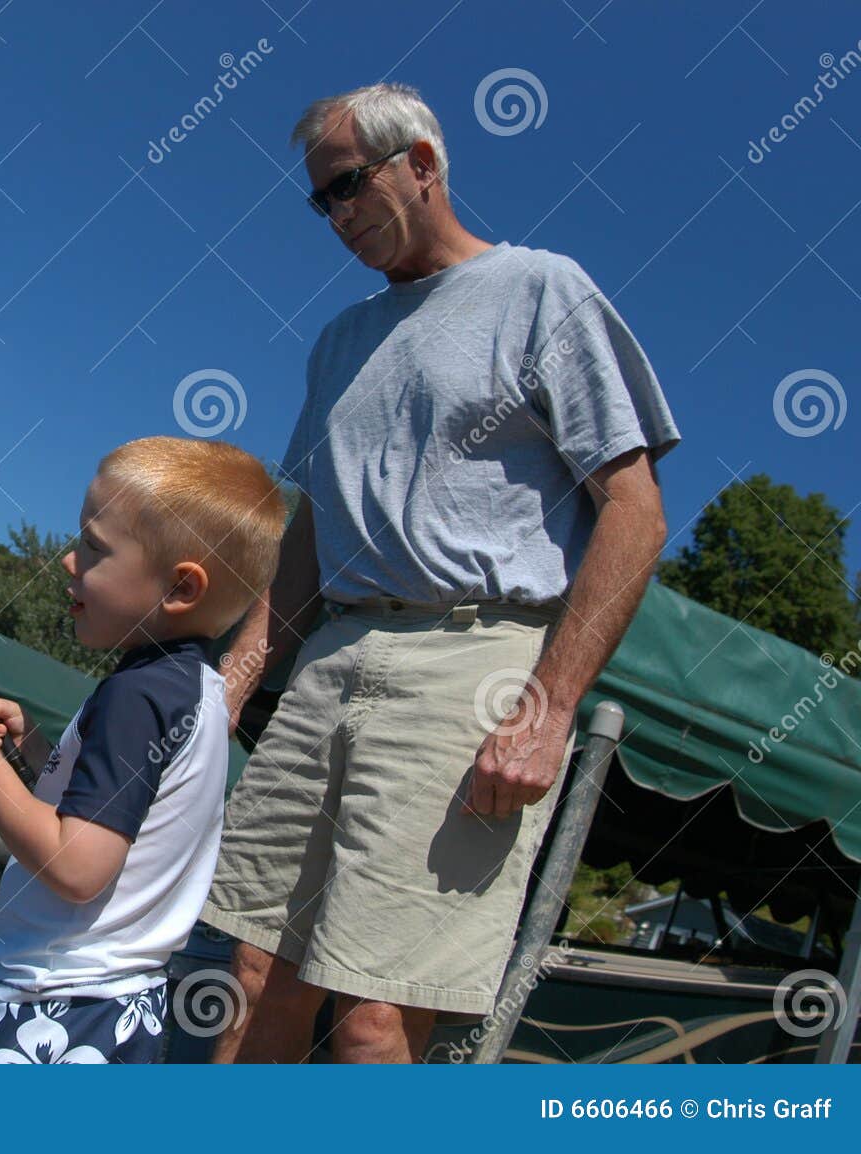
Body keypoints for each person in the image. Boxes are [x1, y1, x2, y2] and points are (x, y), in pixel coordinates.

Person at [201, 83, 681, 1063]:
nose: (336, 216)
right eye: (319, 202)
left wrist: (547, 707)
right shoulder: (338, 341)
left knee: (375, 1009)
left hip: (470, 662)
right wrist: (233, 681)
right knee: (251, 970)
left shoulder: (543, 289)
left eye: (346, 185)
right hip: (329, 659)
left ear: (420, 162)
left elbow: (633, 514)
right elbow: (307, 533)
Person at [0, 436, 286, 1063]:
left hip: (62, 1009)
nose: (70, 562)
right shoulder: (195, 690)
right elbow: (115, 817)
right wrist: (32, 750)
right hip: (121, 1012)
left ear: (180, 588)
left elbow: (79, 868)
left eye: (95, 548)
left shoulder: (137, 695)